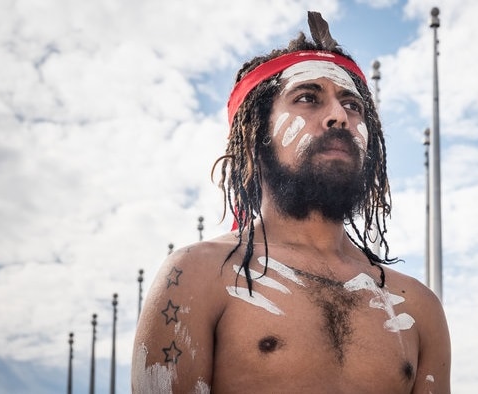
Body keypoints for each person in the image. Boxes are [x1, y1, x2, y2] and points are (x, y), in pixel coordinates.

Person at [132, 11, 450, 393]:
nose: (339, 117)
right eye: (308, 99)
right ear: (254, 137)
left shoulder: (416, 305)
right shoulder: (197, 276)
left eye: (353, 105)